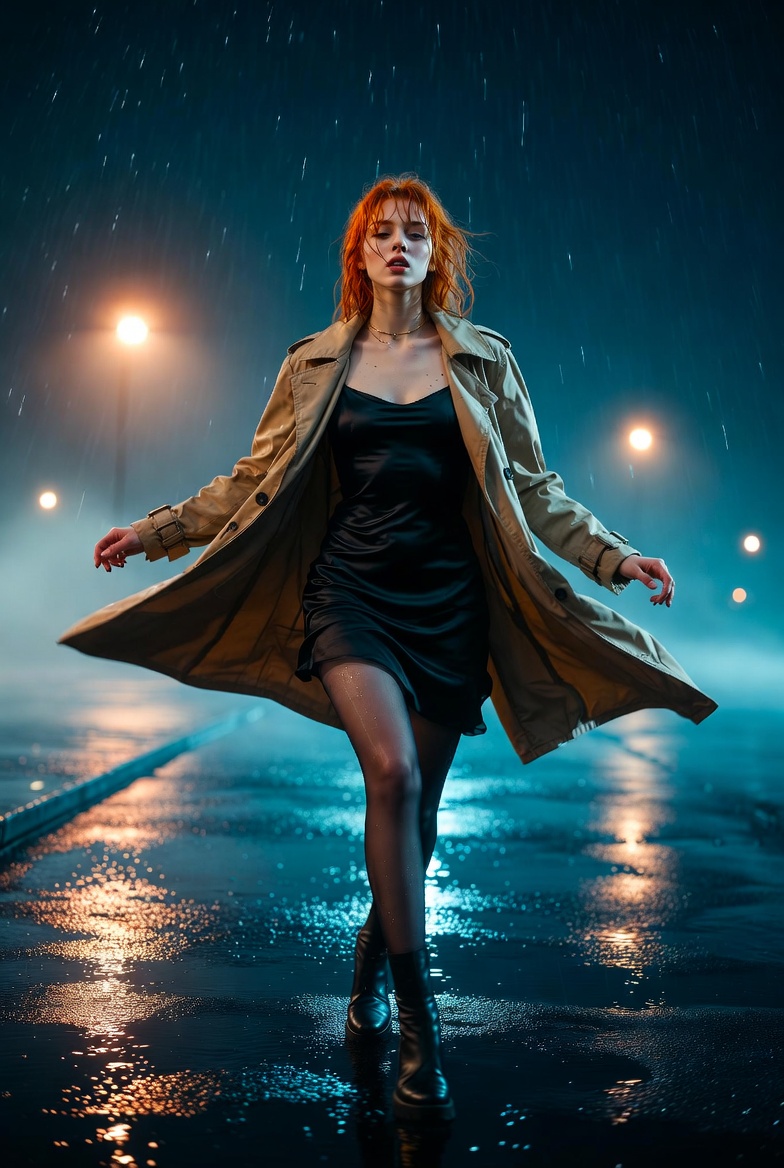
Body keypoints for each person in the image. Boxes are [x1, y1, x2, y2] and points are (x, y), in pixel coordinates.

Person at [61, 174, 716, 1123]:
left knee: (423, 812)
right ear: (360, 255)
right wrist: (157, 531)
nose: (399, 245)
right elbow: (252, 478)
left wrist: (614, 557)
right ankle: (421, 1025)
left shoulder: (486, 361)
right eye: (382, 233)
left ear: (435, 253)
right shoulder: (315, 363)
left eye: (416, 232)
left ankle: (375, 952)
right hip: (350, 596)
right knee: (395, 778)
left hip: (451, 604)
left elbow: (535, 487)